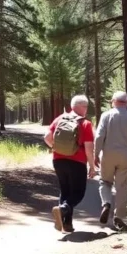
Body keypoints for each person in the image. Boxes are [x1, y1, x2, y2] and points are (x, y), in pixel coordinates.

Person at [44, 95, 96, 233]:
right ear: (81, 107)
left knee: (65, 191)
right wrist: (92, 166)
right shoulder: (85, 123)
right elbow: (89, 148)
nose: (86, 109)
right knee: (78, 193)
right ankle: (63, 209)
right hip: (77, 162)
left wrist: (55, 148)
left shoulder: (59, 119)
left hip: (58, 160)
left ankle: (67, 225)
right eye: (86, 107)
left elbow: (47, 137)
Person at [94, 91, 127, 231]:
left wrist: (96, 154)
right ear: (126, 102)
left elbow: (99, 136)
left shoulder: (106, 115)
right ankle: (119, 217)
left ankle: (106, 204)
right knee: (122, 186)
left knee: (105, 181)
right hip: (126, 157)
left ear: (113, 101)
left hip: (108, 155)